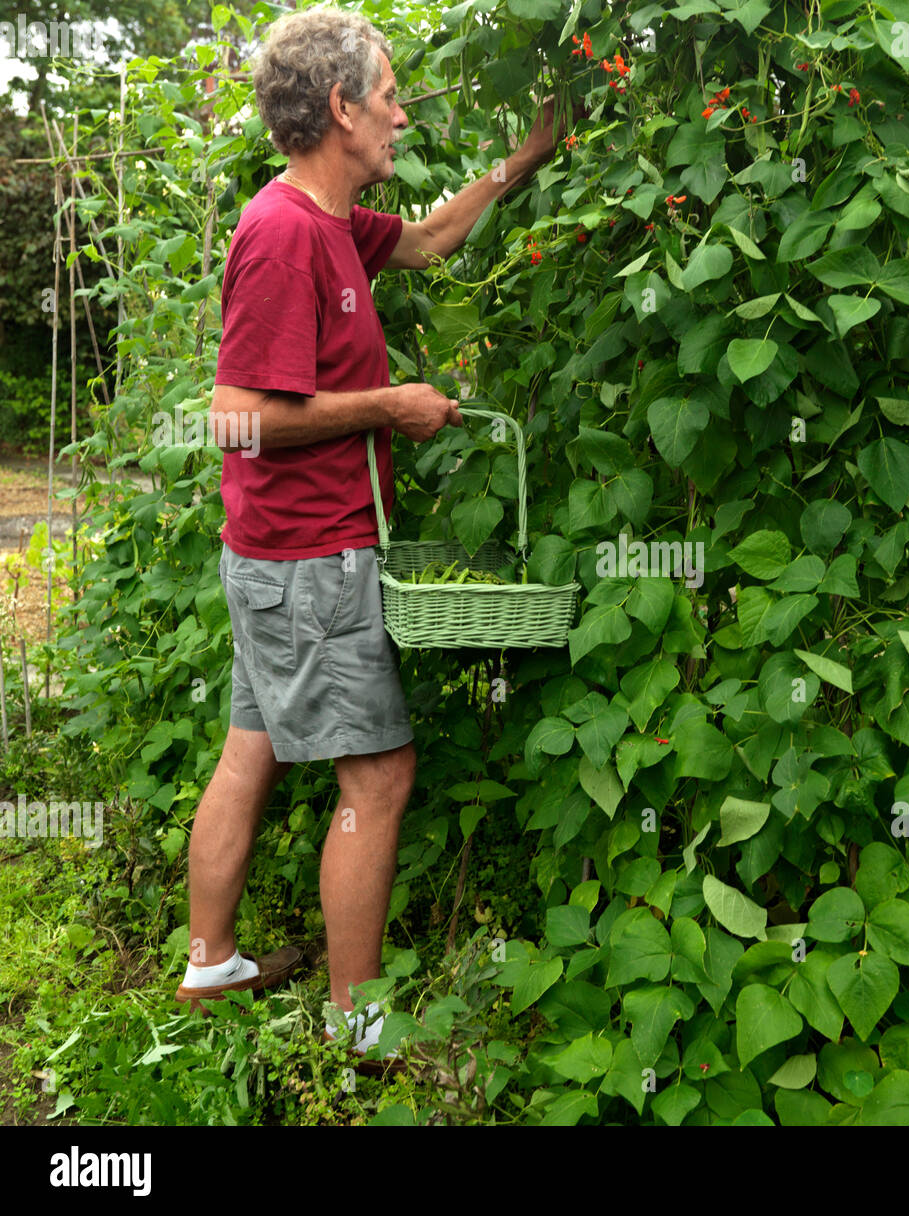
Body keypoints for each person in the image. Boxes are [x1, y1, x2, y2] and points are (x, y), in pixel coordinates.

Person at [173, 6, 567, 1073]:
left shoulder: (339, 225)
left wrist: (524, 158)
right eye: (387, 92)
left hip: (280, 559)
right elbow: (233, 415)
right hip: (306, 558)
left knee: (250, 746)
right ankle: (359, 1023)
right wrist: (385, 406)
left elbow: (435, 237)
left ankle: (210, 961)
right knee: (380, 778)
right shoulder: (283, 233)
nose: (401, 110)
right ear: (340, 108)